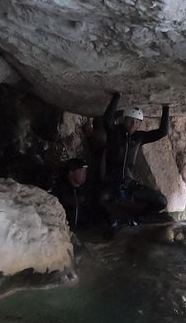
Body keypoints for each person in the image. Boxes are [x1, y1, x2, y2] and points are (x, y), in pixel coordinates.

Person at [101, 92, 170, 226]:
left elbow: (162, 132)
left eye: (137, 122)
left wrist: (166, 107)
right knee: (102, 198)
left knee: (161, 201)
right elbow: (107, 119)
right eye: (130, 120)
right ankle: (111, 222)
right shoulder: (114, 132)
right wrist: (117, 96)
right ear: (124, 119)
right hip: (111, 182)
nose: (133, 124)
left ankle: (137, 219)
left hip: (129, 183)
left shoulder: (139, 137)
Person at [51, 157, 90, 230]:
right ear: (71, 172)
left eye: (85, 171)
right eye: (80, 170)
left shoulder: (87, 189)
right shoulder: (60, 191)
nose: (84, 174)